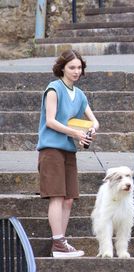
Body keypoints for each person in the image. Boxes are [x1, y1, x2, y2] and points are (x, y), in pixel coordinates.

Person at [37, 49, 99, 258]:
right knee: (56, 196)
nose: (76, 71)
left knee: (69, 198)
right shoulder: (54, 88)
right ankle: (58, 242)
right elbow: (50, 121)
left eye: (79, 67)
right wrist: (76, 133)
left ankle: (61, 241)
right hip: (51, 149)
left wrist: (90, 131)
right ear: (62, 68)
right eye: (72, 67)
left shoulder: (79, 94)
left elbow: (94, 120)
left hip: (68, 150)